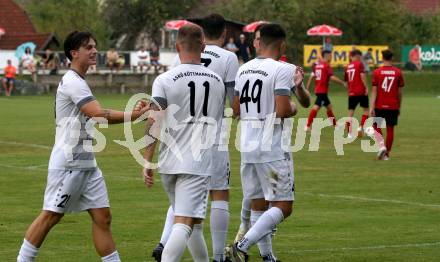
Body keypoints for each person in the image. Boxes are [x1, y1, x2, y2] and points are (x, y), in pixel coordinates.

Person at [16, 31, 149, 262]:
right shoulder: (72, 81)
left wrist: (136, 114)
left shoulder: (79, 81)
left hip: (87, 163)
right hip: (69, 164)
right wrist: (136, 115)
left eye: (95, 46)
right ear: (74, 53)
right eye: (89, 47)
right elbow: (98, 114)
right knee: (50, 216)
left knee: (103, 218)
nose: (95, 51)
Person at [153, 14, 239, 262]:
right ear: (222, 34)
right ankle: (216, 255)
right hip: (204, 150)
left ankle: (167, 242)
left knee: (191, 218)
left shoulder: (168, 75)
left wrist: (147, 158)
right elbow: (233, 107)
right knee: (194, 214)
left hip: (170, 152)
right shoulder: (224, 66)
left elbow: (156, 119)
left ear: (178, 45)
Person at [231, 23, 308, 262]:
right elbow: (285, 110)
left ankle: (267, 257)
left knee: (258, 206)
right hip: (272, 148)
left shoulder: (243, 69)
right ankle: (242, 244)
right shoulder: (282, 69)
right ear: (282, 44)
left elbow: (235, 109)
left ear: (258, 42)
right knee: (283, 206)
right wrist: (291, 107)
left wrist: (299, 86)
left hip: (247, 145)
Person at [370, 49, 404, 160]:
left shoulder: (377, 72)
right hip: (393, 105)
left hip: (379, 105)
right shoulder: (398, 72)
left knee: (376, 126)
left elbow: (374, 90)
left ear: (382, 58)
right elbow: (400, 92)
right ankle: (386, 154)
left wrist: (371, 106)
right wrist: (399, 106)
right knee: (390, 129)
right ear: (392, 58)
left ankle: (381, 146)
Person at [305, 50, 346, 131]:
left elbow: (312, 77)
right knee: (316, 107)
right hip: (322, 91)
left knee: (329, 107)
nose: (331, 58)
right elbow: (332, 77)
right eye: (330, 56)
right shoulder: (326, 65)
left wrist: (308, 88)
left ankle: (335, 125)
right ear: (327, 56)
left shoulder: (317, 66)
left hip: (319, 90)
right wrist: (342, 83)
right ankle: (308, 126)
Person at [344, 49, 370, 137]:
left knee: (350, 113)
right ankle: (361, 127)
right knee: (366, 110)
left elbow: (346, 82)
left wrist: (349, 90)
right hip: (361, 91)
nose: (360, 58)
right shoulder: (359, 64)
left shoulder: (347, 66)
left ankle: (349, 133)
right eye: (360, 56)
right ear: (357, 56)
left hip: (351, 92)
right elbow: (362, 76)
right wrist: (366, 87)